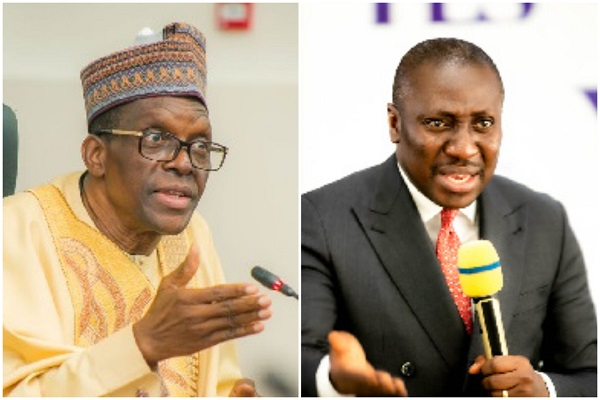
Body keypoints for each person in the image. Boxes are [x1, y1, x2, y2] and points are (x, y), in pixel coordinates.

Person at [301, 38, 597, 397]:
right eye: (439, 123)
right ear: (395, 123)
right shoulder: (321, 218)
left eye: (483, 123)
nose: (464, 148)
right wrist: (333, 380)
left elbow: (588, 375)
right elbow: (303, 360)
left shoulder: (544, 218)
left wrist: (544, 389)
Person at [4, 22, 273, 397]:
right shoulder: (17, 230)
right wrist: (142, 345)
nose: (184, 163)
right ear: (96, 155)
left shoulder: (194, 235)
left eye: (199, 145)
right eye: (157, 139)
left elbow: (219, 380)